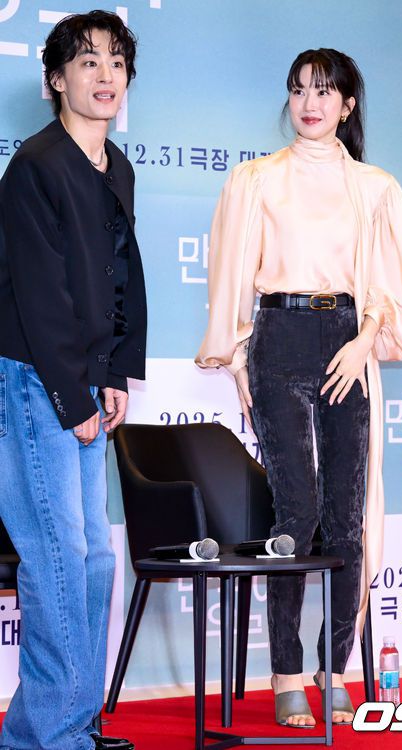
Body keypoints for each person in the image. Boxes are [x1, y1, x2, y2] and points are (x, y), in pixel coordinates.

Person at [196, 48, 402, 727]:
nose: (309, 103)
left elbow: (390, 286)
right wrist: (240, 361)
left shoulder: (375, 188)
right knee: (295, 516)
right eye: (298, 90)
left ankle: (336, 669)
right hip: (278, 341)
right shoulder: (257, 180)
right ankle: (287, 675)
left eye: (324, 91)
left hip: (347, 345)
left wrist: (365, 336)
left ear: (348, 104)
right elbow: (231, 275)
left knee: (347, 520)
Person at [0, 10, 147, 750]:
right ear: (57, 79)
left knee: (93, 558)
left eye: (116, 62)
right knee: (58, 555)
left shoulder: (114, 166)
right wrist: (70, 393)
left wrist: (116, 371)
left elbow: (120, 278)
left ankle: (68, 723)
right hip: (36, 380)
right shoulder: (36, 166)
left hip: (85, 382)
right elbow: (37, 292)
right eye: (88, 62)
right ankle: (50, 737)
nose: (105, 75)